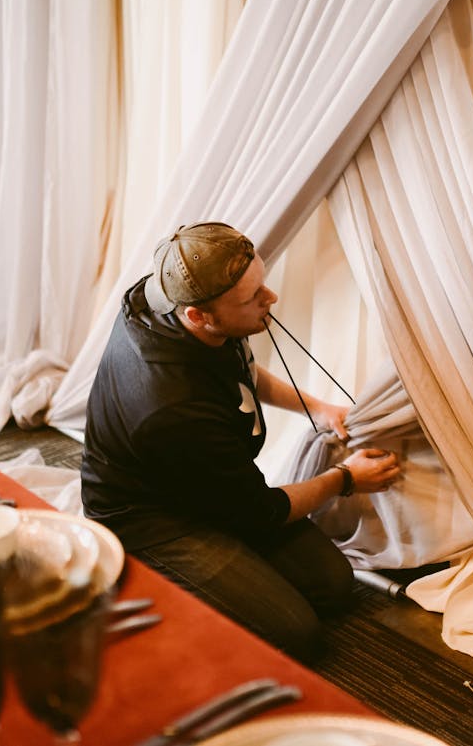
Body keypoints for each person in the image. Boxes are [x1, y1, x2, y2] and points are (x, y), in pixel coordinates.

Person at [80, 221, 400, 660]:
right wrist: (345, 478)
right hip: (155, 523)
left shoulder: (172, 300)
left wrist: (321, 407)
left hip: (208, 487)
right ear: (199, 316)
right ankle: (148, 582)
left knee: (334, 587)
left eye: (263, 285)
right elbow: (263, 512)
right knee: (296, 636)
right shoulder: (171, 407)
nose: (271, 299)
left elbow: (241, 371)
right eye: (254, 298)